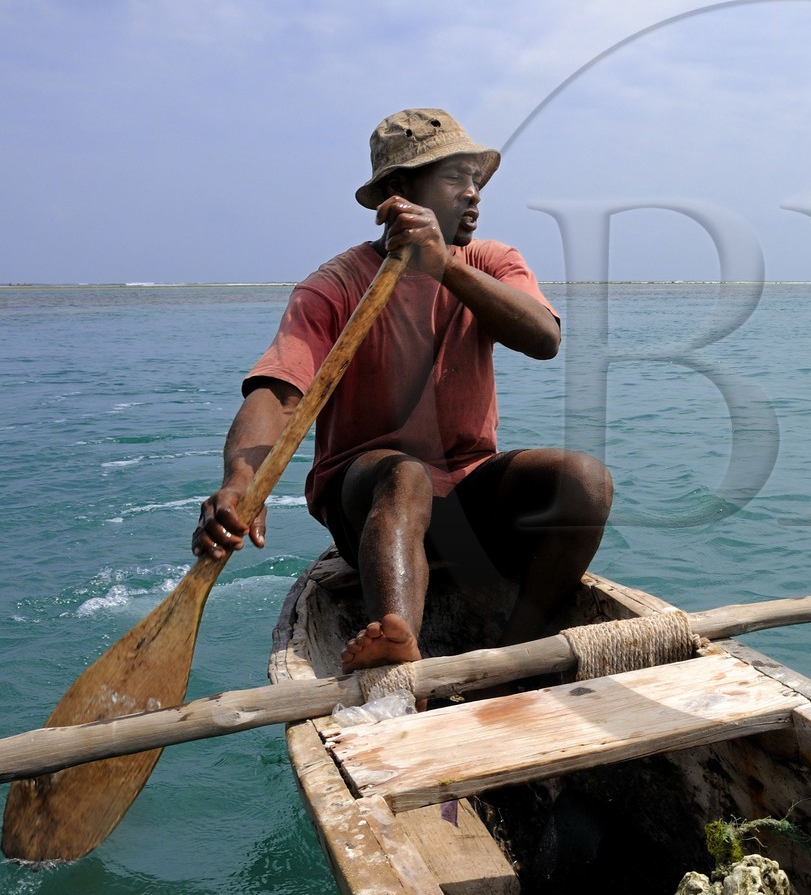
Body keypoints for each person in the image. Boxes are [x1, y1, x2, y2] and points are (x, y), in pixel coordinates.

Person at [192, 108, 611, 676]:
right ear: (398, 192)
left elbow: (543, 338)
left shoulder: (489, 262)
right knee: (404, 475)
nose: (472, 195)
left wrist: (444, 268)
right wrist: (241, 484)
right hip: (369, 499)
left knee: (583, 481)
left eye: (476, 180)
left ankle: (515, 655)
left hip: (466, 496)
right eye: (453, 179)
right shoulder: (334, 285)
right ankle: (396, 656)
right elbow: (278, 393)